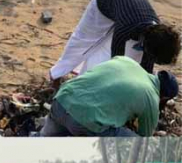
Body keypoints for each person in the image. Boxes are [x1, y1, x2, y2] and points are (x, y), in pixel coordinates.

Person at [50, 0, 181, 82]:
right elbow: (115, 62)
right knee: (83, 41)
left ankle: (85, 73)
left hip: (128, 2)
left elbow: (146, 68)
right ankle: (56, 74)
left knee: (134, 56)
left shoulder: (155, 34)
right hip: (105, 0)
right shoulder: (126, 26)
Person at [41, 56, 179, 137]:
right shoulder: (152, 98)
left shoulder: (126, 60)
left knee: (45, 138)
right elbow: (145, 136)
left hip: (61, 100)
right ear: (164, 98)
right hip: (84, 122)